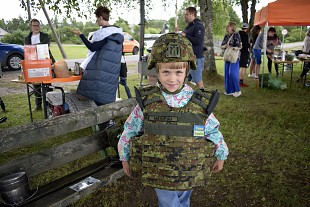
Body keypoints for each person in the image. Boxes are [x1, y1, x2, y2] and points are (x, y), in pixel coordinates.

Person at [118, 33, 228, 207]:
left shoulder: (198, 102)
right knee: (168, 202)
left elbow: (212, 130)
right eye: (166, 71)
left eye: (178, 72)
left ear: (186, 71)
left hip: (189, 168)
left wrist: (221, 154)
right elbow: (130, 130)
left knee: (184, 199)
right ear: (157, 70)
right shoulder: (148, 102)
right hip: (159, 169)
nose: (172, 78)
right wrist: (124, 156)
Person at [72, 6, 123, 107]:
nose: (96, 22)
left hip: (100, 71)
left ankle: (103, 121)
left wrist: (81, 35)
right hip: (112, 71)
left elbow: (92, 47)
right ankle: (107, 120)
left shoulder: (104, 34)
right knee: (106, 96)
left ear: (100, 18)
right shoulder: (117, 33)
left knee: (97, 98)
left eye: (96, 19)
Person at [24, 18, 55, 111]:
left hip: (45, 62)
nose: (37, 27)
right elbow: (27, 50)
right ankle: (38, 105)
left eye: (38, 25)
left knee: (47, 84)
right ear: (31, 26)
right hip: (33, 63)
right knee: (36, 85)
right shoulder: (27, 38)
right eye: (35, 25)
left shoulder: (45, 36)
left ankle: (50, 104)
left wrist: (32, 48)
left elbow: (44, 46)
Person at [182, 7, 205, 89]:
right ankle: (186, 96)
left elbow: (198, 41)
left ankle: (201, 96)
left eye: (186, 14)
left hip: (196, 58)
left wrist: (185, 36)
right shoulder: (189, 26)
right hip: (188, 57)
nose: (185, 16)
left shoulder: (199, 26)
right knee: (186, 80)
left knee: (198, 81)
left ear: (192, 14)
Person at [221, 22, 242, 97]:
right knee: (227, 74)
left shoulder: (236, 34)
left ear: (232, 27)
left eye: (229, 26)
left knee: (232, 73)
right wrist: (225, 46)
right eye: (227, 26)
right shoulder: (226, 35)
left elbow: (238, 45)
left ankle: (237, 90)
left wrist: (228, 46)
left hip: (234, 57)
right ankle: (229, 90)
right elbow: (222, 45)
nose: (227, 27)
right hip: (227, 56)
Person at [238, 23, 250, 87]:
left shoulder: (238, 34)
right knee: (243, 67)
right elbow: (245, 45)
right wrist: (249, 45)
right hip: (244, 53)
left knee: (238, 67)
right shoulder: (245, 35)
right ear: (247, 29)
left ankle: (236, 80)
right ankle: (241, 81)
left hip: (237, 52)